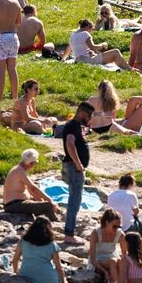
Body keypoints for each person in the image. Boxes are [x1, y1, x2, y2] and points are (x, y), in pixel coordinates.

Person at [55, 99, 93, 243]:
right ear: (82, 113)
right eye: (89, 116)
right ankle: (69, 235)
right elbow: (70, 144)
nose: (89, 119)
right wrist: (78, 163)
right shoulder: (72, 126)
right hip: (74, 167)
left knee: (75, 200)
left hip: (75, 167)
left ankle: (69, 232)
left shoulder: (77, 126)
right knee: (74, 201)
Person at [9, 217, 71, 283]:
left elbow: (15, 260)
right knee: (62, 271)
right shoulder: (52, 244)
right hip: (48, 280)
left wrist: (17, 274)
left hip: (26, 276)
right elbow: (59, 268)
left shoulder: (23, 241)